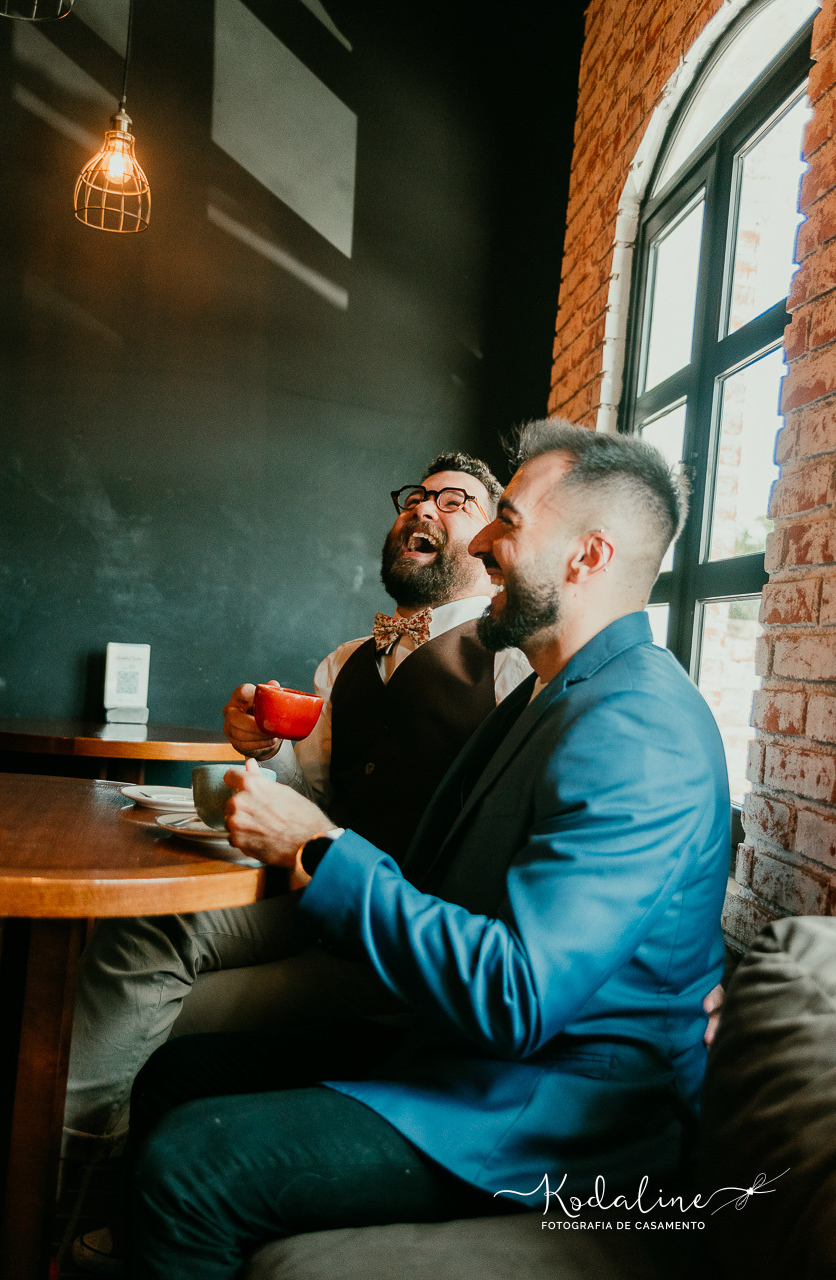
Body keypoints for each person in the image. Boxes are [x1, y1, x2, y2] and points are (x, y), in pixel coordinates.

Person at [122, 420, 730, 1280]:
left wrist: (324, 853)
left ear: (589, 557)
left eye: (507, 522)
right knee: (178, 1077)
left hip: (563, 1116)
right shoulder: (557, 693)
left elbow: (521, 994)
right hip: (460, 1049)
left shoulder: (638, 726)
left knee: (195, 1164)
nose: (479, 543)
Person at [64, 452, 531, 1160]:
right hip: (309, 894)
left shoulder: (511, 659)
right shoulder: (342, 663)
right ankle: (59, 1164)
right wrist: (261, 749)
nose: (424, 507)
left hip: (400, 938)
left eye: (455, 501)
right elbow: (313, 799)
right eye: (416, 496)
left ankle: (67, 1175)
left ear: (493, 541)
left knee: (164, 1016)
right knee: (140, 930)